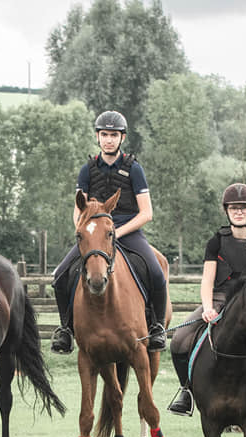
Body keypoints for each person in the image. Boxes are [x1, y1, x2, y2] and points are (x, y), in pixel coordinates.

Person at [166, 183, 246, 417]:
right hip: (219, 299)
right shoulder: (216, 242)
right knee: (179, 341)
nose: (239, 212)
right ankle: (187, 391)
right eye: (234, 207)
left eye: (244, 207)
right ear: (226, 210)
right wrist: (206, 308)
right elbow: (207, 280)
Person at [49, 110, 168, 354]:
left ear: (122, 138)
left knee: (156, 272)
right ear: (98, 136)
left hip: (127, 230)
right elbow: (77, 210)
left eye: (113, 135)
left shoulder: (134, 169)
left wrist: (118, 233)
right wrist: (84, 230)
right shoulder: (87, 169)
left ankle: (156, 327)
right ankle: (66, 330)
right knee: (61, 274)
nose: (108, 140)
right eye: (104, 134)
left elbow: (147, 213)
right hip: (94, 233)